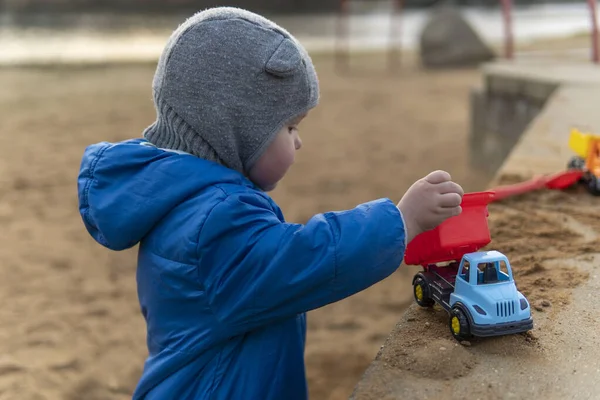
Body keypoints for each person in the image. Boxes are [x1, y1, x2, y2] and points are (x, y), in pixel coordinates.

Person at [76, 7, 464, 400]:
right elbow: (300, 260)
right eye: (289, 126)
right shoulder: (215, 219)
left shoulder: (188, 199)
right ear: (233, 128)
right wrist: (400, 220)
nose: (298, 142)